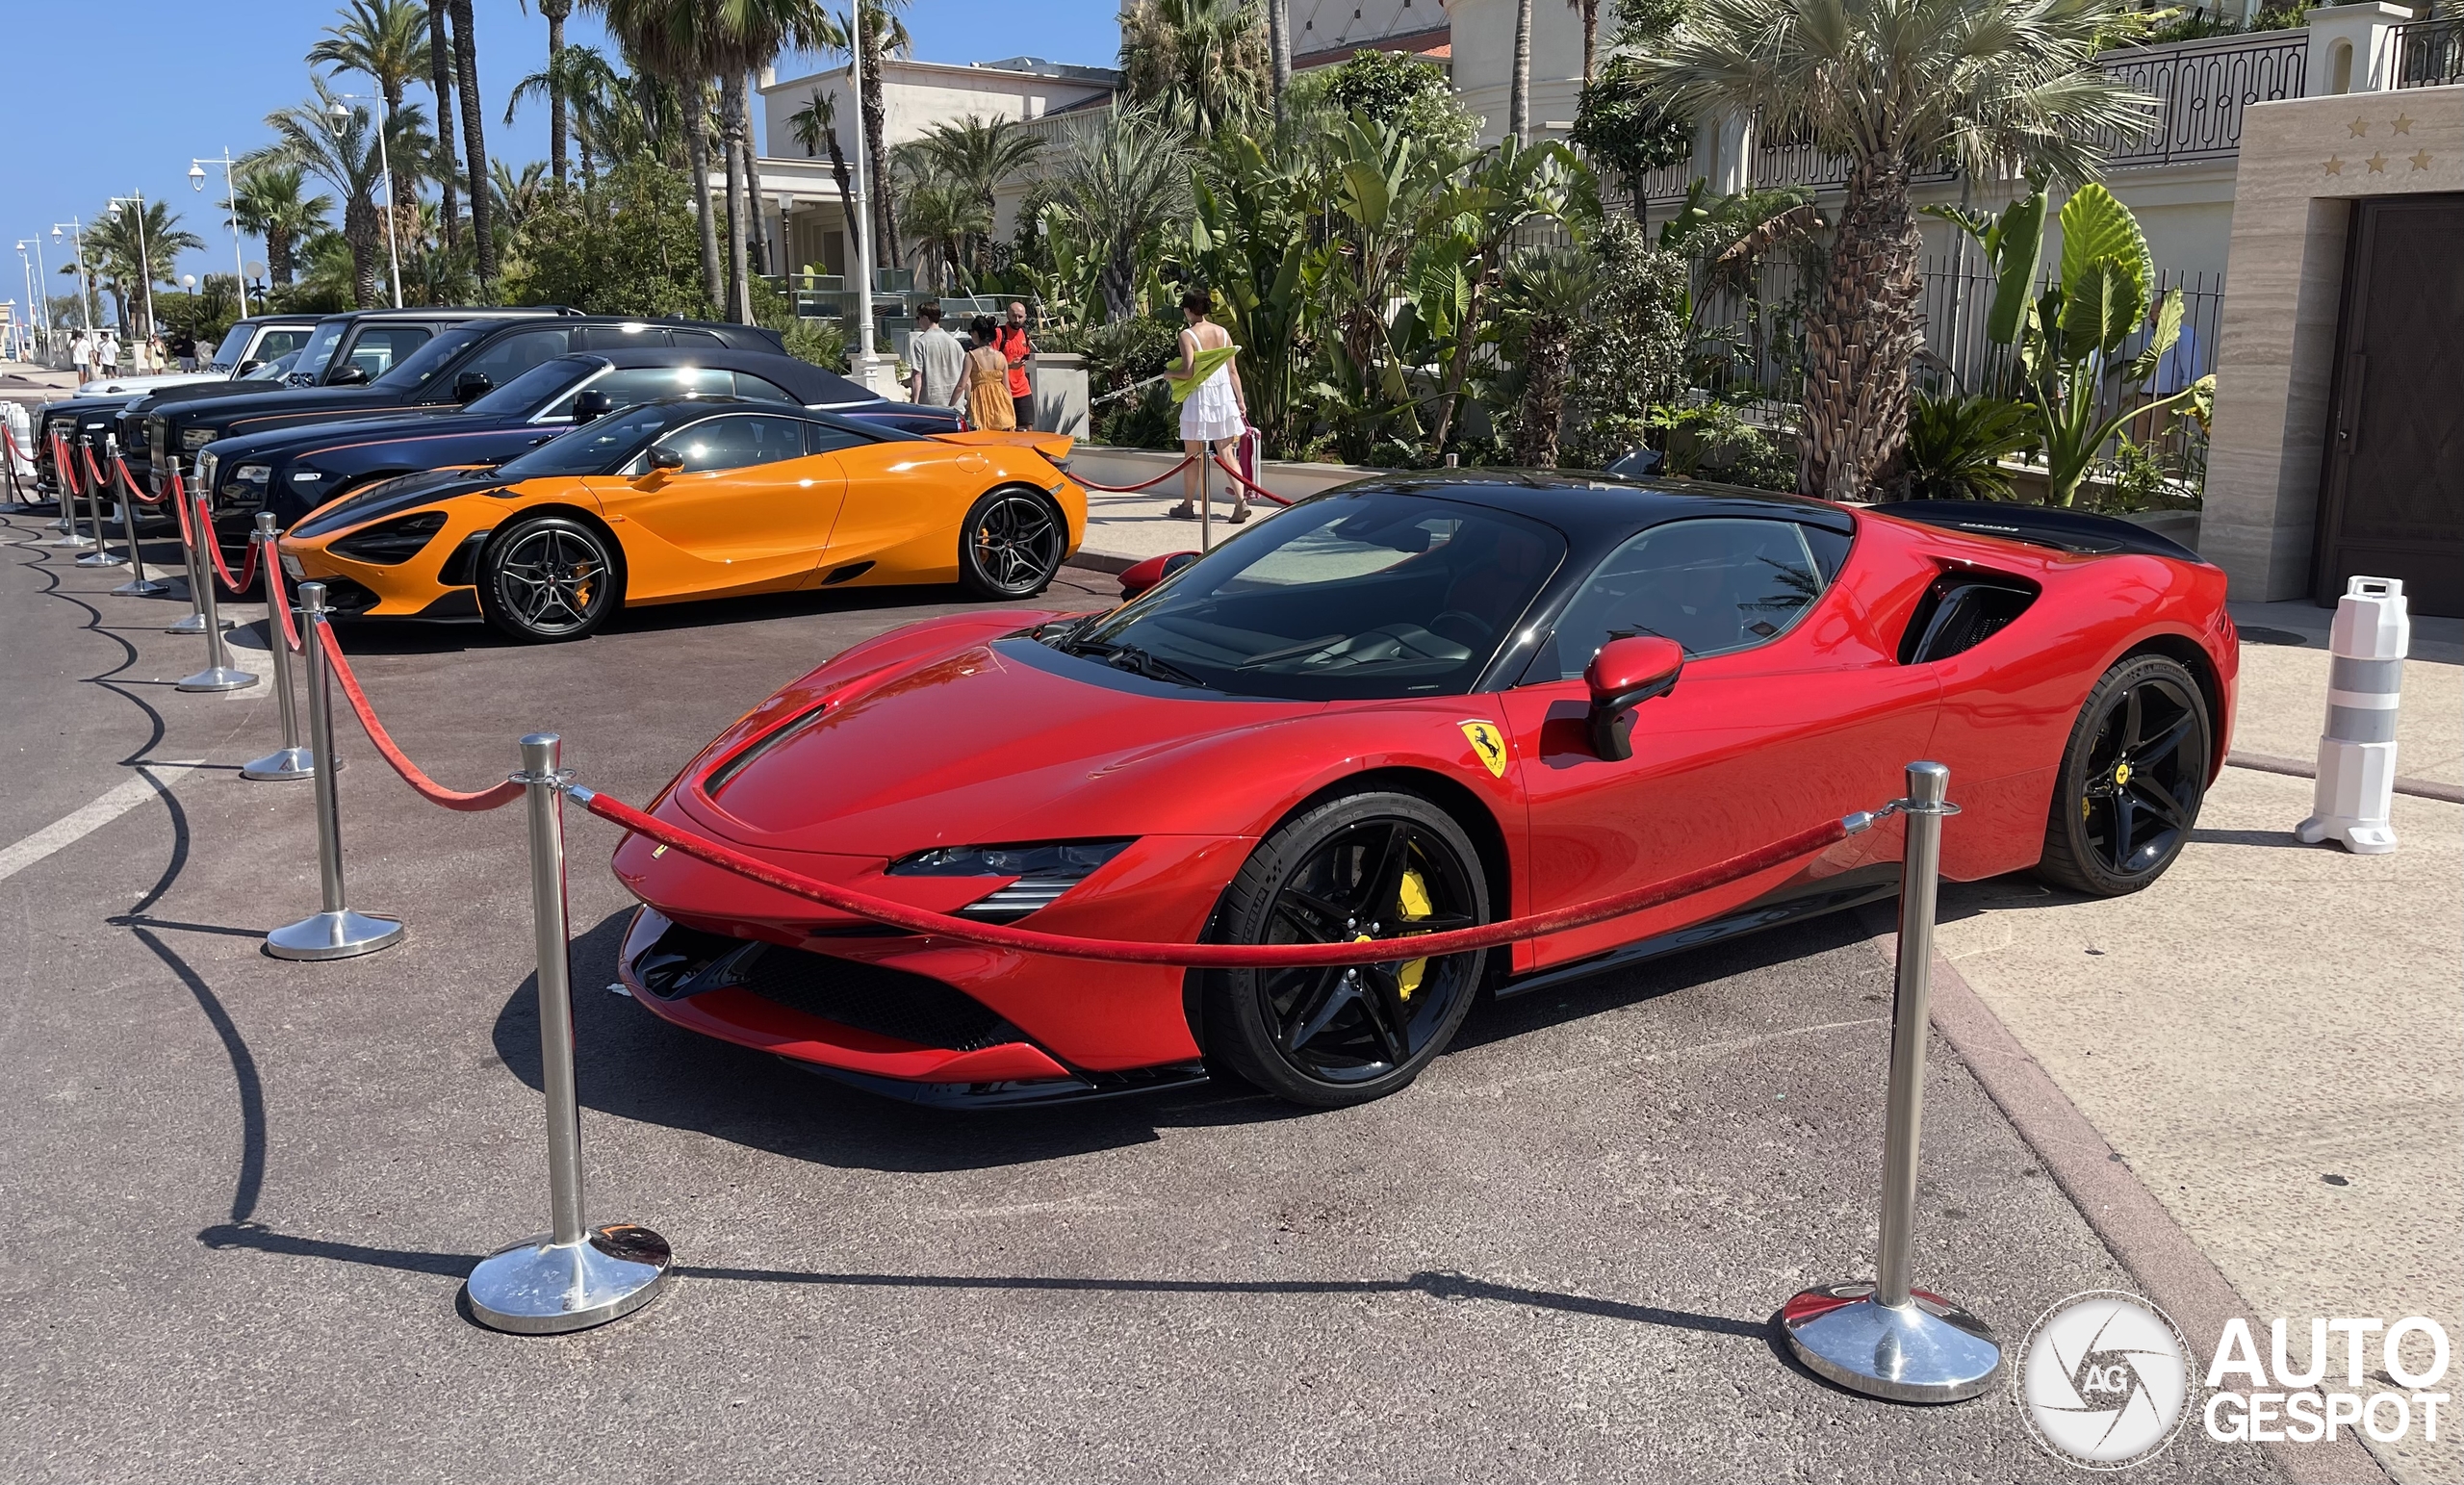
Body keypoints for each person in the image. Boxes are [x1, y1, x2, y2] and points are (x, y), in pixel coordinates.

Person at [1165, 287, 1249, 525]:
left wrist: (1169, 374)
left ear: (1188, 309)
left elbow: (1188, 371)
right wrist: (1240, 401)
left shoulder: (1187, 335)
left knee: (1192, 455)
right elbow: (1233, 371)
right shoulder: (1222, 333)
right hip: (1223, 397)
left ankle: (1188, 504)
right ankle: (1241, 502)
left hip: (1200, 399)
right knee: (1227, 453)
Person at [907, 301, 965, 410]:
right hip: (955, 404)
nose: (918, 322)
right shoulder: (955, 343)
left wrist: (914, 403)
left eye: (918, 318)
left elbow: (917, 376)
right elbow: (965, 376)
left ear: (925, 318)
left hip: (931, 404)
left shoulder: (920, 343)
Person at [962, 315, 1016, 431]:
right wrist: (1010, 408)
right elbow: (1007, 387)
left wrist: (950, 407)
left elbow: (962, 384)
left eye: (971, 332)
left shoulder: (971, 356)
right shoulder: (1001, 357)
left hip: (980, 403)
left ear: (976, 333)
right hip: (1001, 403)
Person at [992, 299, 1035, 431]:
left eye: (1020, 317)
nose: (1017, 320)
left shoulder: (1025, 334)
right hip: (1004, 388)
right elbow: (992, 362)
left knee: (1028, 425)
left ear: (1025, 317)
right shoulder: (999, 333)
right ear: (1007, 315)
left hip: (1022, 387)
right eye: (1014, 316)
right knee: (1007, 427)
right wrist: (1010, 366)